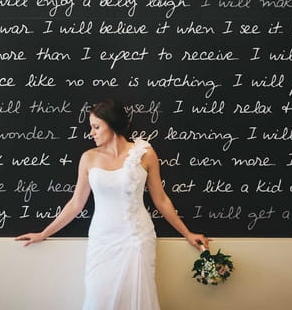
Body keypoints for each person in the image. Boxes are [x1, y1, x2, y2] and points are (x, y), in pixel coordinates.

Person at [15, 99, 209, 310]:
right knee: (98, 298)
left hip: (137, 239)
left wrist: (187, 233)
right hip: (103, 239)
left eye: (96, 127)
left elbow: (161, 199)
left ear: (113, 124)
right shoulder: (88, 158)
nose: (92, 133)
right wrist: (44, 233)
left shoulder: (145, 154)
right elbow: (76, 203)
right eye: (91, 127)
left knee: (138, 298)